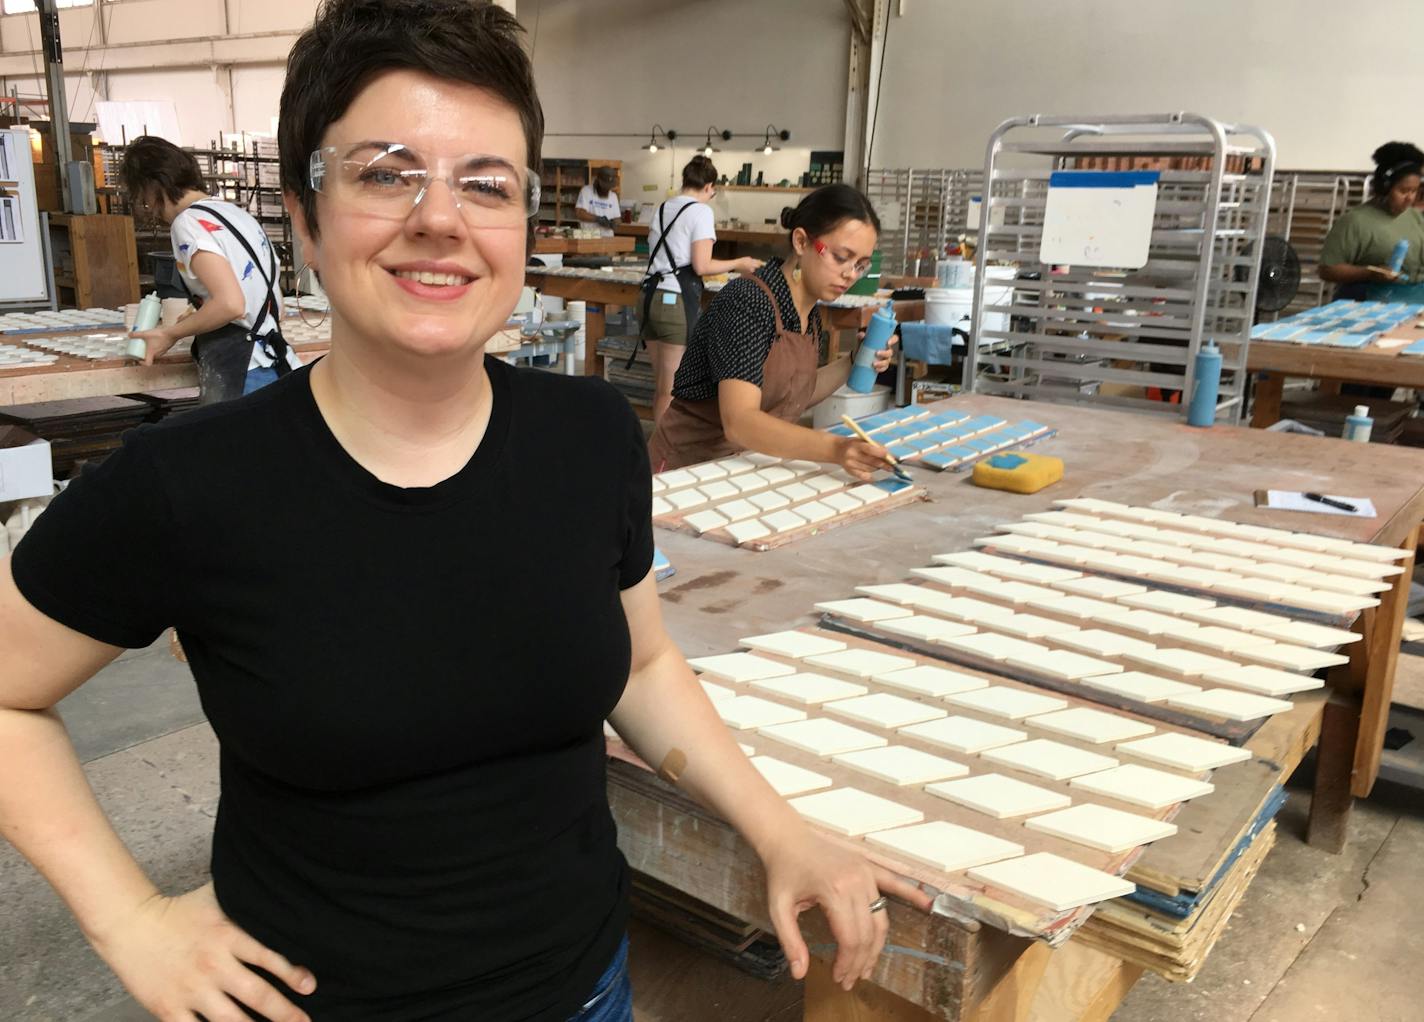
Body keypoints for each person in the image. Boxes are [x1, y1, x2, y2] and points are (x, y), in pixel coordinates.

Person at [0, 3, 928, 1021]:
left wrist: (777, 826)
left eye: (485, 183)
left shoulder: (589, 437)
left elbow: (645, 662)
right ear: (304, 215)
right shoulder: (191, 483)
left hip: (580, 990)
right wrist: (127, 916)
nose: (439, 217)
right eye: (385, 172)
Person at [648, 184, 897, 477]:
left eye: (861, 265)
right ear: (802, 241)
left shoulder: (807, 313)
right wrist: (834, 449)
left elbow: (795, 392)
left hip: (744, 466)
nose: (850, 274)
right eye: (841, 257)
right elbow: (740, 421)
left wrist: (855, 360)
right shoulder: (747, 302)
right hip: (686, 469)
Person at [118, 136, 302, 403]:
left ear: (153, 185)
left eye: (143, 197)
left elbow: (231, 304)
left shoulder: (188, 223)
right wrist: (202, 314)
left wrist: (169, 334)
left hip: (244, 373)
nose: (149, 208)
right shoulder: (236, 215)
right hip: (277, 363)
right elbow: (275, 306)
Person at [639, 155, 762, 423]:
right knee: (670, 389)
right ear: (708, 186)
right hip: (674, 301)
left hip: (649, 298)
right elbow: (702, 265)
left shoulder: (662, 207)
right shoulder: (701, 211)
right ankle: (662, 457)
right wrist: (740, 262)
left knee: (660, 386)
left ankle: (656, 450)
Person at [1319, 141, 1424, 302]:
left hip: (1414, 300)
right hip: (1372, 301)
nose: (1409, 198)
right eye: (1403, 191)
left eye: (1414, 191)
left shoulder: (1415, 217)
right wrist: (1369, 273)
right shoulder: (1355, 221)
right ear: (1384, 187)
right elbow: (1328, 270)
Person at [575, 165, 621, 236]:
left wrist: (614, 223)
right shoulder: (586, 191)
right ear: (598, 181)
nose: (607, 189)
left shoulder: (613, 196)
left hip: (607, 238)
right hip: (589, 236)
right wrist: (598, 219)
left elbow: (617, 218)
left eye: (609, 187)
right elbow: (579, 213)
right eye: (605, 186)